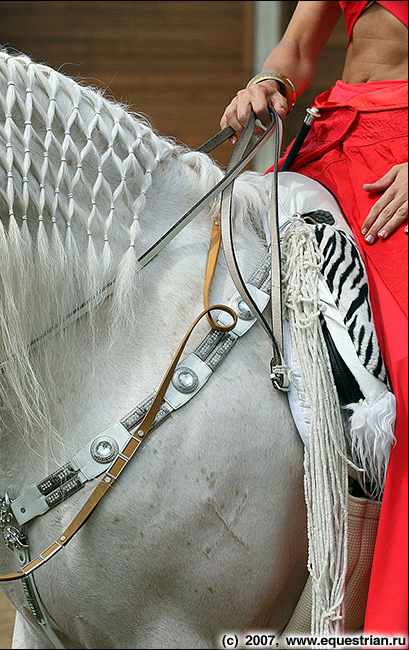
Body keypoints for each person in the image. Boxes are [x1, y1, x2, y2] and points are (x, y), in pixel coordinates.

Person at [220, 0, 407, 639]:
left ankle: (372, 616)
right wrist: (268, 84)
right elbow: (298, 50)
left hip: (399, 174)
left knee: (399, 366)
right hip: (332, 146)